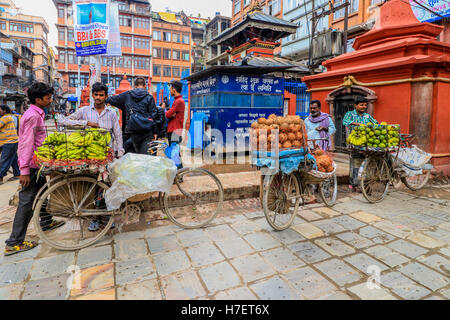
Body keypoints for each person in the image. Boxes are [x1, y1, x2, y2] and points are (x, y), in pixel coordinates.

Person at [4, 82, 65, 256]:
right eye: (48, 98)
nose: (50, 100)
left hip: (36, 163)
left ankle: (46, 221)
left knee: (42, 190)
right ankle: (14, 242)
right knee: (26, 201)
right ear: (38, 100)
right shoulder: (33, 116)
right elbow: (25, 144)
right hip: (30, 165)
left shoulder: (37, 113)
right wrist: (23, 170)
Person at [58, 82, 124, 232]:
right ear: (92, 96)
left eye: (102, 95)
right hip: (89, 156)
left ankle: (107, 216)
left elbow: (118, 134)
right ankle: (95, 218)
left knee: (107, 187)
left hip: (107, 156)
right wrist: (86, 123)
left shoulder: (112, 113)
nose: (99, 97)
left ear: (106, 96)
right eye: (96, 94)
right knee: (94, 186)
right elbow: (63, 121)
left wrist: (120, 153)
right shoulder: (85, 111)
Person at [106, 77, 161, 154]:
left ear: (134, 86)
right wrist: (155, 132)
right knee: (146, 159)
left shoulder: (126, 96)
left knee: (131, 160)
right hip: (146, 132)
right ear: (145, 86)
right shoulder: (149, 97)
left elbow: (111, 99)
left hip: (130, 133)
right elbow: (154, 115)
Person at [343, 96, 379, 192]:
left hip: (366, 143)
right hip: (354, 143)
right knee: (355, 164)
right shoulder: (350, 114)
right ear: (355, 105)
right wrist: (359, 124)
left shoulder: (367, 116)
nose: (363, 107)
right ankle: (354, 184)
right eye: (361, 105)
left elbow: (376, 123)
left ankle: (364, 183)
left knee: (367, 163)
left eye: (365, 105)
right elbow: (345, 121)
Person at [166, 80, 185, 169]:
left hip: (175, 131)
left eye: (170, 88)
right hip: (174, 130)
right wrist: (170, 113)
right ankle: (177, 174)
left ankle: (179, 174)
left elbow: (168, 114)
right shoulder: (177, 101)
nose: (170, 90)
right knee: (175, 153)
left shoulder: (178, 102)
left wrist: (166, 111)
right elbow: (170, 114)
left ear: (174, 89)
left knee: (175, 154)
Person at [0, 105, 20, 184]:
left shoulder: (5, 118)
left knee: (4, 160)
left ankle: (0, 176)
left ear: (4, 110)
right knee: (13, 159)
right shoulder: (9, 117)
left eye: (0, 109)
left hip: (9, 142)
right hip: (12, 142)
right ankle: (17, 174)